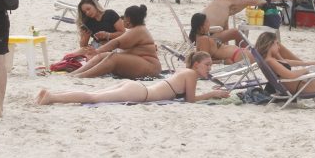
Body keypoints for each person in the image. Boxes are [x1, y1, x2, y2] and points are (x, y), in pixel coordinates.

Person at [36, 51, 229, 105]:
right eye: (207, 65)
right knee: (92, 97)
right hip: (139, 93)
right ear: (196, 65)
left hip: (136, 88)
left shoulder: (183, 71)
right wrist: (213, 93)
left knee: (92, 94)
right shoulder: (192, 75)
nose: (209, 69)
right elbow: (191, 100)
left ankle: (52, 94)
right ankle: (52, 98)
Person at [188, 13, 315, 66]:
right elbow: (203, 60)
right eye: (207, 22)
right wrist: (223, 61)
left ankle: (304, 63)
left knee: (276, 46)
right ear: (201, 26)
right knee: (272, 59)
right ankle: (310, 64)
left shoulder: (204, 38)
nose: (209, 24)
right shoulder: (204, 40)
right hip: (238, 56)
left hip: (240, 52)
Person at [70, 5, 161, 79]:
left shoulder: (139, 30)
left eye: (123, 17)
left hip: (150, 66)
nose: (122, 19)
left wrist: (97, 50)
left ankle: (82, 76)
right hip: (141, 62)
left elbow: (116, 43)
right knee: (102, 56)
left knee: (113, 57)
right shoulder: (137, 29)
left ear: (128, 19)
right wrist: (99, 52)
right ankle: (75, 73)